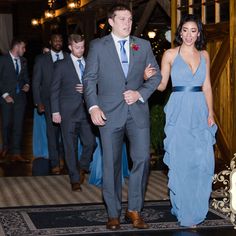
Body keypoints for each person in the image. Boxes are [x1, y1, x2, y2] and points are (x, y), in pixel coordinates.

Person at [83, 3, 161, 230]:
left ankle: (134, 210)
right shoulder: (98, 46)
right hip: (108, 114)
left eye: (129, 19)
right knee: (111, 164)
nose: (127, 23)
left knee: (142, 160)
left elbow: (155, 77)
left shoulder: (143, 45)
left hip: (137, 113)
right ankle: (113, 213)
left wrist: (140, 92)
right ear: (111, 22)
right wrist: (93, 107)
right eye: (122, 19)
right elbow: (89, 79)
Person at [145, 14, 217, 227]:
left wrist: (211, 112)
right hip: (179, 110)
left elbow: (207, 86)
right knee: (182, 161)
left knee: (202, 161)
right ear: (180, 32)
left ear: (198, 33)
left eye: (193, 30)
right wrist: (149, 77)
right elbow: (162, 85)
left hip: (200, 109)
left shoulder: (204, 55)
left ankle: (196, 205)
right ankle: (185, 210)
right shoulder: (169, 54)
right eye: (185, 30)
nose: (188, 35)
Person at [51, 34, 96, 191]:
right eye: (77, 47)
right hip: (67, 112)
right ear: (70, 47)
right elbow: (54, 89)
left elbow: (97, 83)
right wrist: (55, 111)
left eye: (83, 47)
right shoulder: (61, 65)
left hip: (87, 112)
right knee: (70, 147)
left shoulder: (90, 63)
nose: (81, 50)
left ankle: (82, 167)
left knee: (91, 142)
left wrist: (88, 89)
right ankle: (74, 179)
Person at [32, 34, 66, 175]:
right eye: (55, 40)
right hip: (48, 103)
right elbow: (35, 82)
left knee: (67, 134)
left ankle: (68, 162)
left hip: (66, 103)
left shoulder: (68, 57)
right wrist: (38, 102)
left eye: (60, 40)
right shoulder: (41, 60)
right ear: (50, 42)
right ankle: (55, 164)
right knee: (52, 134)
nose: (58, 42)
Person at [0, 38, 30, 162]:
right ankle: (5, 147)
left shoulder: (24, 61)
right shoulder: (2, 60)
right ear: (16, 47)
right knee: (6, 124)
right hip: (6, 98)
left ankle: (16, 152)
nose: (25, 50)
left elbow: (26, 77)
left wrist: (27, 84)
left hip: (20, 98)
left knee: (18, 126)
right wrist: (5, 95)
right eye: (23, 47)